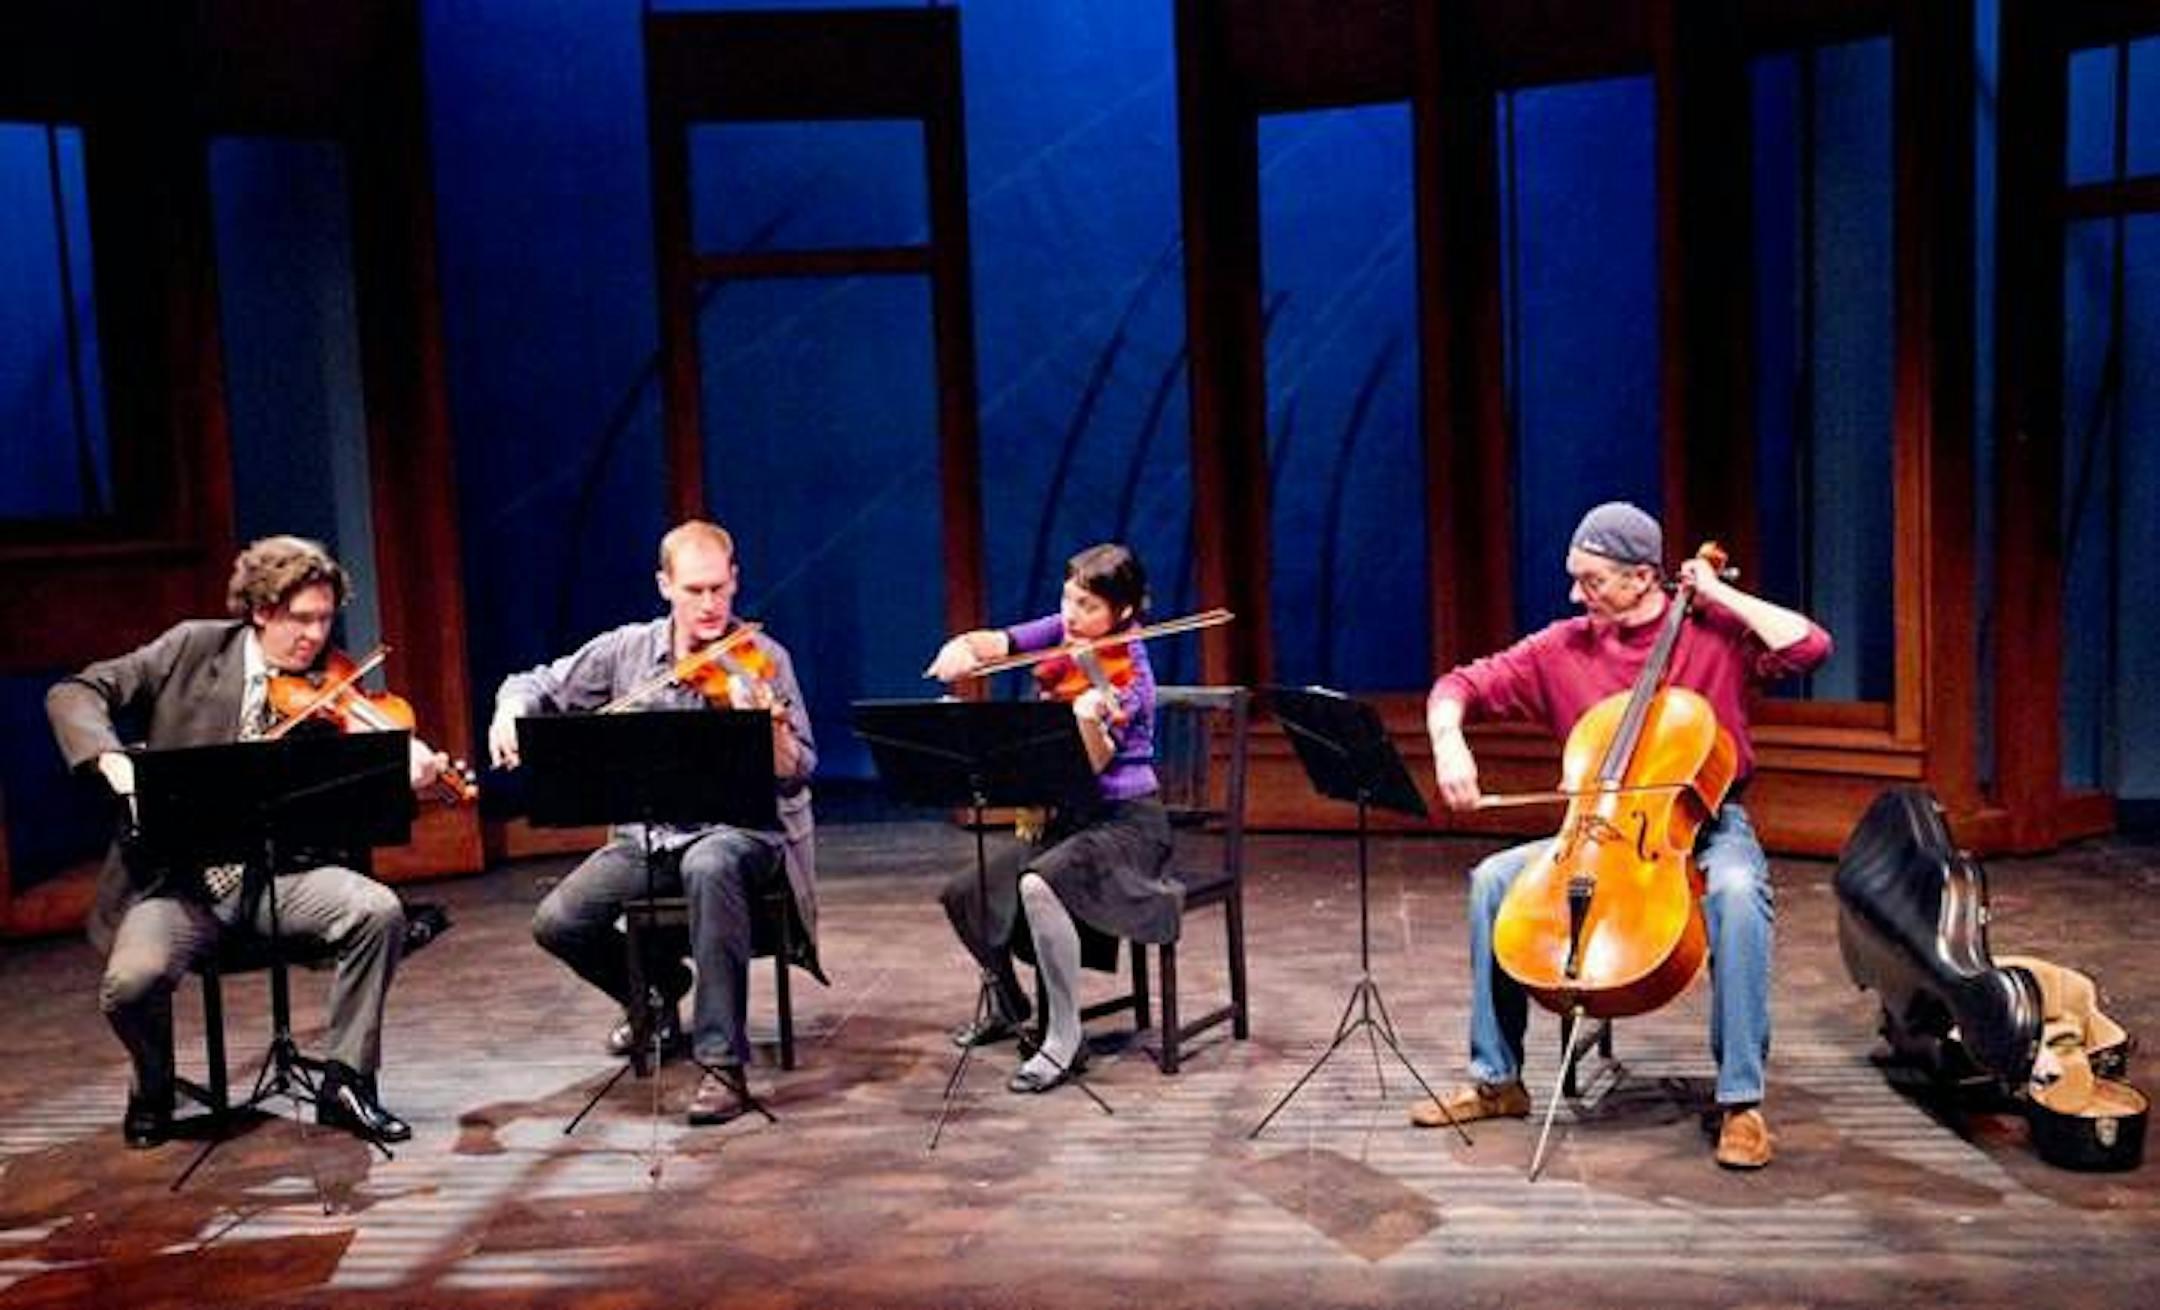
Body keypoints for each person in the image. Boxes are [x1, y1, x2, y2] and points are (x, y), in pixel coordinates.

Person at [1414, 501, 1832, 1169]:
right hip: (1601, 831)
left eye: (1592, 581)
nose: (1575, 595)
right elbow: (1459, 685)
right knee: (1493, 880)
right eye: (1575, 578)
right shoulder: (1563, 647)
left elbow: (1810, 646)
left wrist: (1718, 591)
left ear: (1642, 578)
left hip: (1708, 825)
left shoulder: (1713, 632)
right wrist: (1448, 743)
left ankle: (1741, 1102)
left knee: (1735, 892)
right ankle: (1497, 1081)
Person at [46, 535, 449, 1148]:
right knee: (130, 985)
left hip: (278, 879)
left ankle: (347, 1082)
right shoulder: (193, 648)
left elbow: (356, 812)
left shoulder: (332, 684)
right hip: (178, 884)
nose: (316, 636)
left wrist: (398, 771)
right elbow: (75, 691)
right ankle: (153, 1082)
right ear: (261, 610)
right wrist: (110, 759)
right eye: (301, 619)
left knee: (378, 910)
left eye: (325, 619)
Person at [489, 519, 816, 1126]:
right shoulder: (627, 650)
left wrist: (767, 730)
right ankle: (658, 990)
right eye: (694, 590)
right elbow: (535, 683)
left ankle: (722, 1064)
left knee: (709, 862)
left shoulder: (764, 659)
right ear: (664, 585)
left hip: (741, 834)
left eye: (718, 588)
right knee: (558, 921)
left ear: (735, 580)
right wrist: (511, 712)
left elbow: (797, 773)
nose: (709, 604)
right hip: (652, 835)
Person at [925, 542, 1176, 1093]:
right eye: (1068, 599)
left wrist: (1088, 718)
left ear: (1123, 611)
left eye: (1088, 605)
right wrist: (964, 647)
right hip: (1070, 821)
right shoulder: (1066, 632)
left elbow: (1095, 764)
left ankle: (1064, 1037)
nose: (1071, 614)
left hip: (1127, 824)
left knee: (1039, 884)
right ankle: (1009, 1004)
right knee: (964, 893)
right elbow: (1003, 641)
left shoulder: (1130, 673)